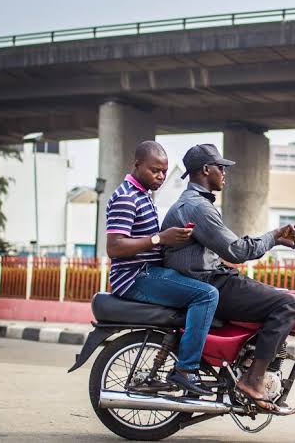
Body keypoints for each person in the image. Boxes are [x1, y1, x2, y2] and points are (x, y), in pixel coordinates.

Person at [161, 143, 295, 412]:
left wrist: (277, 240)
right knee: (287, 305)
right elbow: (237, 251)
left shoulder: (195, 203)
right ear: (206, 169)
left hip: (210, 276)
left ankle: (248, 364)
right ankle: (253, 379)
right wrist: (274, 236)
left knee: (270, 295)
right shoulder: (198, 207)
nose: (225, 173)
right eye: (221, 167)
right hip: (207, 282)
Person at [105, 140, 219, 396]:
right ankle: (186, 370)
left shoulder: (142, 194)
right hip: (134, 277)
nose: (160, 176)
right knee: (207, 295)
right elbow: (114, 247)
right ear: (137, 165)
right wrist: (160, 238)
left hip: (147, 272)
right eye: (154, 170)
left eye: (164, 172)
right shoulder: (126, 198)